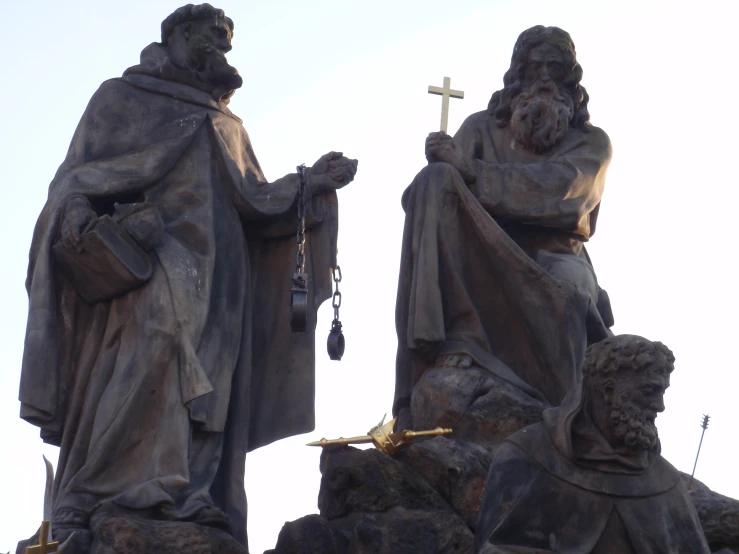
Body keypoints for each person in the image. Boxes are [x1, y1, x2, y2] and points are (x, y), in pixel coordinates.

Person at [18, 4, 357, 549]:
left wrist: (310, 182)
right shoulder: (121, 99)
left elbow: (256, 197)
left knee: (213, 386)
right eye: (212, 37)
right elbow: (75, 180)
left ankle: (188, 495)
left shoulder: (229, 125)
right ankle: (100, 489)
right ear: (176, 36)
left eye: (227, 40)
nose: (222, 48)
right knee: (152, 348)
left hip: (224, 274)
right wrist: (79, 216)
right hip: (146, 261)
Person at [394, 26, 613, 424]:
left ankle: (569, 419)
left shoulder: (592, 141)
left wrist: (472, 172)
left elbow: (563, 193)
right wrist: (441, 170)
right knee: (433, 181)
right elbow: (425, 201)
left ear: (569, 78)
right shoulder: (480, 128)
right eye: (534, 68)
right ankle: (446, 342)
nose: (544, 78)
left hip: (556, 254)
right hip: (484, 252)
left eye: (554, 69)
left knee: (569, 285)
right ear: (518, 75)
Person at [474, 335, 710, 553]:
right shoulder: (529, 456)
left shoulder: (665, 482)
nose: (660, 406)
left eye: (663, 392)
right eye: (650, 391)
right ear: (609, 391)